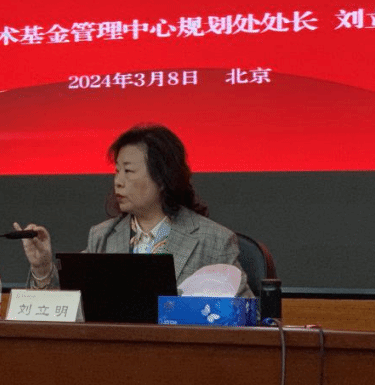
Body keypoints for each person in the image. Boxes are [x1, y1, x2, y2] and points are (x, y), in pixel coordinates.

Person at [14, 124, 254, 297]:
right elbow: (66, 309)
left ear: (162, 177)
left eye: (128, 171)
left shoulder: (214, 241)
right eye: (117, 171)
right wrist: (42, 266)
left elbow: (248, 319)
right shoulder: (102, 237)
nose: (118, 182)